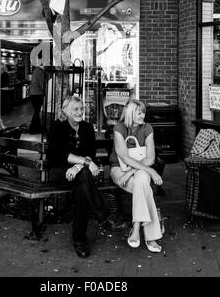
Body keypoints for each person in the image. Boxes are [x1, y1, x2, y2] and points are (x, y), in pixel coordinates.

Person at [47, 95, 125, 258]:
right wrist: (84, 163)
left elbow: (91, 155)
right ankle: (103, 216)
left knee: (81, 189)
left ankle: (80, 240)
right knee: (83, 178)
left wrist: (78, 165)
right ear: (65, 111)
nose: (79, 111)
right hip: (59, 173)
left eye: (81, 108)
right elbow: (59, 155)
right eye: (75, 109)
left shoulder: (87, 128)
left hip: (81, 175)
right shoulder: (56, 127)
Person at [109, 99, 163, 253]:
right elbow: (124, 157)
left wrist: (132, 172)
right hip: (118, 169)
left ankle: (136, 226)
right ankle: (151, 236)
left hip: (139, 170)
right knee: (144, 186)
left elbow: (150, 159)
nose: (142, 115)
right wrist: (151, 171)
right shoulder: (119, 128)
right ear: (130, 113)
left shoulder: (148, 128)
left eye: (144, 112)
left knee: (142, 181)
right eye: (139, 112)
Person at [29, 64, 45, 134]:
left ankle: (37, 128)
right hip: (37, 94)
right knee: (37, 112)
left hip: (34, 94)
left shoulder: (37, 70)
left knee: (37, 111)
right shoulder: (39, 71)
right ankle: (33, 129)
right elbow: (42, 84)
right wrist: (46, 93)